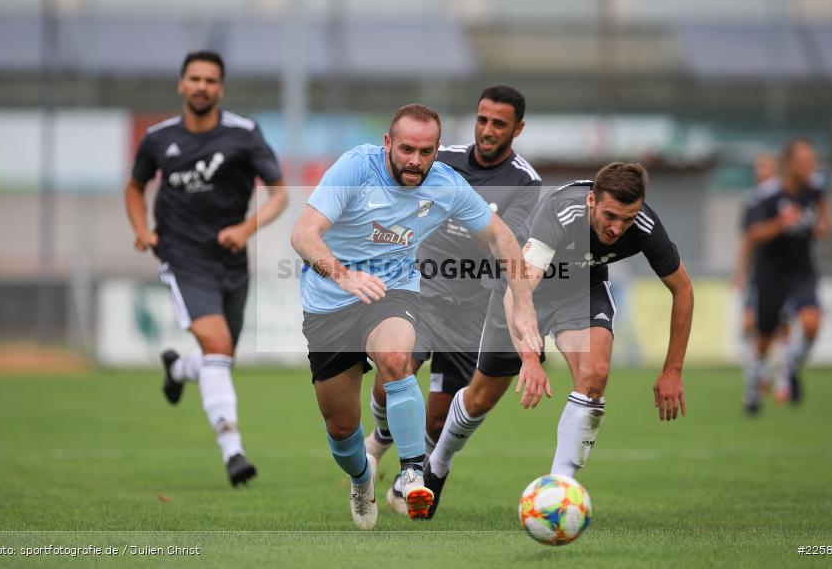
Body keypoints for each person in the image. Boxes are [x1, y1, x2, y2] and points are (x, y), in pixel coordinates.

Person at [290, 103, 541, 530]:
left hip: (394, 290)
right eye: (407, 149)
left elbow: (502, 239)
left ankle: (411, 473)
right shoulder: (355, 167)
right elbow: (303, 234)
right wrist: (345, 276)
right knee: (340, 427)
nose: (415, 161)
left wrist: (524, 308)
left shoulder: (446, 185)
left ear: (437, 150)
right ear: (388, 143)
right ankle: (361, 477)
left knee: (395, 359)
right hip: (330, 301)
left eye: (426, 152)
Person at [422, 162, 694, 519]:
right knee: (481, 397)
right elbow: (521, 292)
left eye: (627, 219)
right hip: (522, 289)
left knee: (595, 375)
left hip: (581, 291)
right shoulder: (562, 211)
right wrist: (531, 360)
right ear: (592, 200)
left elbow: (683, 291)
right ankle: (437, 466)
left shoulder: (643, 224)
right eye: (610, 216)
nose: (617, 228)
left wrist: (672, 371)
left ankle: (558, 494)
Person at [360, 86, 542, 514]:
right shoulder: (442, 159)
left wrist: (461, 209)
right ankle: (382, 438)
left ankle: (405, 476)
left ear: (518, 128)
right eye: (482, 119)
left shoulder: (526, 182)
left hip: (472, 308)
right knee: (393, 373)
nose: (487, 130)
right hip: (421, 290)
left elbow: (503, 243)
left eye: (499, 123)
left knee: (439, 420)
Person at [124, 50, 288, 486]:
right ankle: (233, 451)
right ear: (181, 84)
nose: (201, 86)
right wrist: (143, 229)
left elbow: (279, 195)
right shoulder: (158, 138)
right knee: (217, 344)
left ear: (221, 88)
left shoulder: (245, 134)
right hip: (182, 257)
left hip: (231, 260)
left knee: (220, 357)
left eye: (210, 80)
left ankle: (178, 369)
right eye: (194, 78)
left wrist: (244, 228)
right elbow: (135, 187)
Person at [743, 138, 831, 411]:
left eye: (812, 160)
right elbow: (753, 234)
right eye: (804, 161)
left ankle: (790, 367)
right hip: (771, 273)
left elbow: (824, 215)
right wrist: (781, 224)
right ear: (789, 164)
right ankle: (753, 389)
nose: (810, 166)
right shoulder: (768, 195)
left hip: (801, 270)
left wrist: (821, 226)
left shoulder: (815, 187)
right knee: (765, 338)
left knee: (812, 323)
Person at [734, 153, 786, 413]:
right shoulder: (752, 199)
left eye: (765, 167)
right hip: (758, 273)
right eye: (758, 167)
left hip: (782, 273)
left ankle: (781, 380)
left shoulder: (784, 199)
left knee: (781, 329)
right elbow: (747, 239)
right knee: (749, 327)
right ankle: (760, 375)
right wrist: (740, 271)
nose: (760, 172)